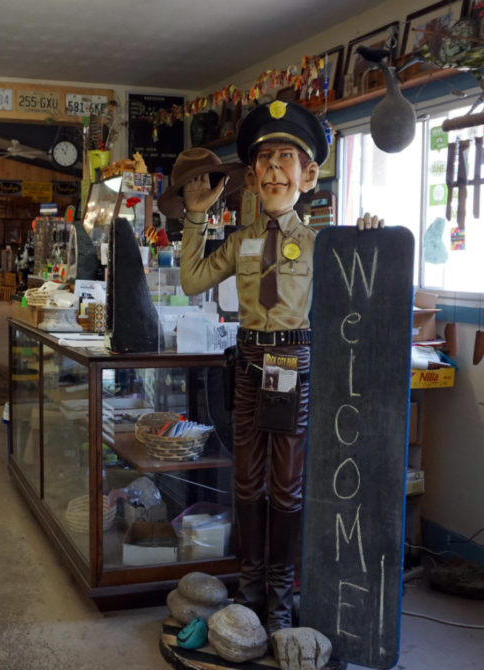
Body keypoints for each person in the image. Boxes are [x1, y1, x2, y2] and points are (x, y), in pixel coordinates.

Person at [158, 99, 382, 634]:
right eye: (264, 160)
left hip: (296, 366)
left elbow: (365, 294)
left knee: (287, 485)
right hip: (250, 364)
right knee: (247, 481)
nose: (275, 168)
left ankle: (281, 596)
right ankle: (249, 587)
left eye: (288, 158)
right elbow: (191, 280)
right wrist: (195, 215)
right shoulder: (242, 242)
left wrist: (371, 239)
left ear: (308, 175)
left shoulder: (326, 246)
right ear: (253, 178)